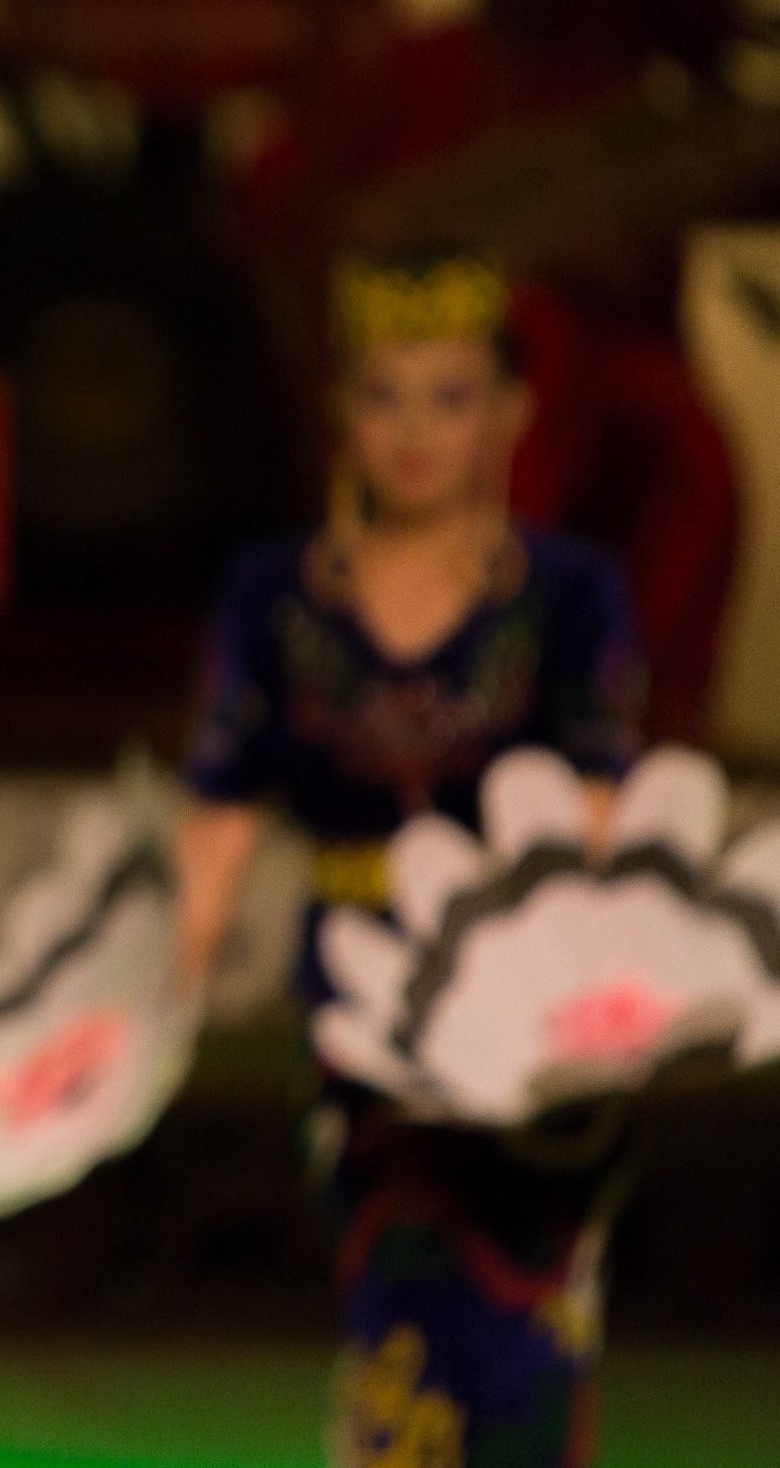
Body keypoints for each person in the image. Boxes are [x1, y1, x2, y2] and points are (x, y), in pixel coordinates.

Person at [176, 245, 644, 1467]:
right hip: (354, 985)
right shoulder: (276, 594)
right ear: (342, 407)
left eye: (449, 396)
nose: (415, 430)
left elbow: (598, 789)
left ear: (509, 409)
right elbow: (222, 793)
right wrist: (174, 971)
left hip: (532, 993)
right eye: (384, 395)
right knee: (393, 1273)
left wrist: (608, 968)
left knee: (530, 1296)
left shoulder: (568, 593)